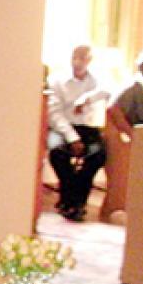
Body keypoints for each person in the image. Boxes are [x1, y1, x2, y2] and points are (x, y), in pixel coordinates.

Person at [46, 45, 110, 222]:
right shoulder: (57, 80)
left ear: (90, 60)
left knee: (98, 155)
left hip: (87, 128)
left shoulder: (97, 80)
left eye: (84, 57)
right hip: (63, 128)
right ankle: (72, 200)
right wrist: (72, 137)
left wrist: (85, 99)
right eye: (76, 56)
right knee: (57, 153)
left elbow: (107, 91)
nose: (79, 61)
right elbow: (54, 114)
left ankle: (74, 201)